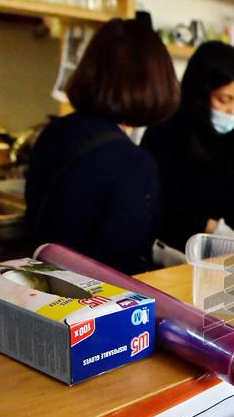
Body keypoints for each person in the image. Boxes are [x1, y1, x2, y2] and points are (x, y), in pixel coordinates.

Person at [26, 18, 179, 275]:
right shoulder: (133, 164)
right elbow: (122, 270)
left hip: (36, 294)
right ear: (156, 83)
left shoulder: (53, 132)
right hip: (88, 308)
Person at [141, 42, 234, 251]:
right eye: (225, 99)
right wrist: (210, 227)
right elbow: (158, 202)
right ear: (201, 96)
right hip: (176, 254)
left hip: (230, 258)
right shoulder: (165, 131)